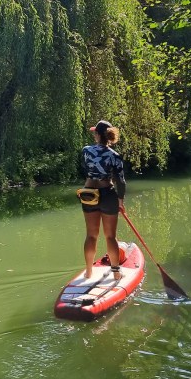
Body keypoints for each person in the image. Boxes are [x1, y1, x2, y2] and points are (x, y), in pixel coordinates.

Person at [78, 120, 127, 280]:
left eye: (95, 132)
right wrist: (120, 200)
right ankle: (116, 273)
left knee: (91, 235)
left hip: (89, 194)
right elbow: (121, 181)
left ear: (98, 134)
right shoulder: (115, 156)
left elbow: (85, 168)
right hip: (107, 194)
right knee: (110, 237)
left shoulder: (86, 151)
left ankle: (88, 271)